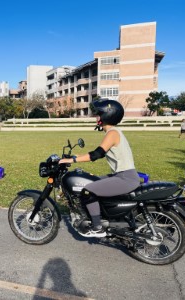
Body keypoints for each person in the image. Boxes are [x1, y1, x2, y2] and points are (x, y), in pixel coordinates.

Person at [59, 99, 140, 238]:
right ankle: (101, 217)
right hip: (121, 176)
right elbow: (99, 153)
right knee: (91, 182)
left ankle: (97, 227)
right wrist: (79, 156)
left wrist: (71, 159)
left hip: (125, 178)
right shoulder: (114, 132)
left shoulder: (112, 133)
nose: (96, 117)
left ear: (107, 115)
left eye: (98, 114)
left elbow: (96, 154)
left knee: (88, 191)